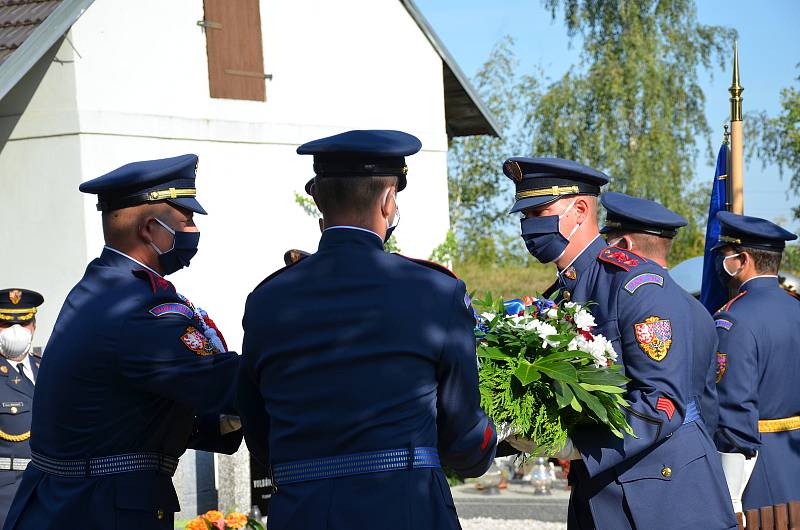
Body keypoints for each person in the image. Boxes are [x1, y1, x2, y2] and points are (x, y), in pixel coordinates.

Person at [237, 130, 497, 530]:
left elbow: (259, 433)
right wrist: (486, 446)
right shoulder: (434, 290)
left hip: (301, 513)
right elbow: (463, 435)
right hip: (406, 510)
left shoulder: (267, 300)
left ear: (319, 200)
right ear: (388, 201)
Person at [4, 154, 242, 530]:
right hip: (99, 510)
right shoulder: (135, 309)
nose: (194, 230)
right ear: (151, 229)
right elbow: (229, 383)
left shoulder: (104, 288)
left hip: (77, 504)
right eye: (187, 219)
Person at [502, 157, 736, 530]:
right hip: (598, 497)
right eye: (525, 216)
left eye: (539, 212)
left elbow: (660, 403)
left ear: (579, 210)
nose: (528, 227)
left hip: (662, 499)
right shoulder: (566, 294)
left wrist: (574, 445)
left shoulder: (637, 287)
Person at [600, 191, 721, 434]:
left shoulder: (638, 304)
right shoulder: (699, 309)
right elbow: (707, 401)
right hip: (693, 449)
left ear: (624, 246)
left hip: (649, 454)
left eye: (608, 243)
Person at [711, 211, 800, 513]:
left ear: (743, 260)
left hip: (757, 471)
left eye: (725, 256)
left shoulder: (733, 318)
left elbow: (735, 410)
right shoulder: (796, 308)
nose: (722, 265)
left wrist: (730, 494)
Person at [0, 289, 43, 527]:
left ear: (34, 326)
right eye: (6, 324)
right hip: (5, 491)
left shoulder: (47, 370)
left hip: (46, 491)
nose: (16, 331)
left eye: (24, 322)